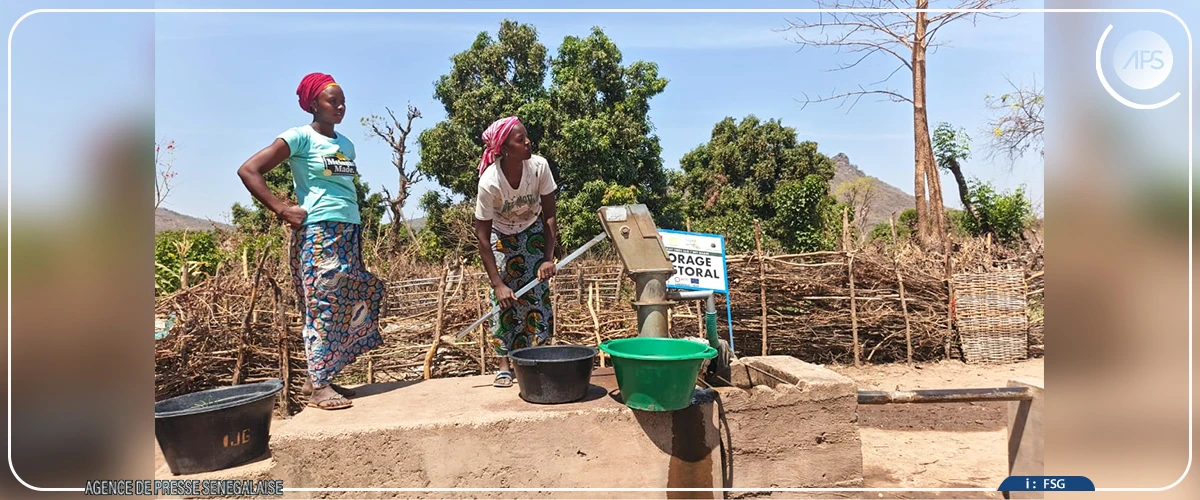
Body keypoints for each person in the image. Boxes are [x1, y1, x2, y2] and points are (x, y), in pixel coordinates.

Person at [237, 72, 384, 410]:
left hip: (348, 231)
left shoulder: (346, 144)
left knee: (349, 301)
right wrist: (282, 209)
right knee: (322, 305)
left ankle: (319, 375)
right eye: (333, 101)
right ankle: (319, 387)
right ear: (314, 104)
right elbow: (248, 170)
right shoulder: (299, 138)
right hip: (319, 233)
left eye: (343, 101)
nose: (340, 106)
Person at [474, 116, 560, 388]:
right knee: (504, 301)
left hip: (532, 229)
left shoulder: (539, 167)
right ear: (505, 149)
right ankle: (504, 365)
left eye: (526, 136)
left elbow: (549, 216)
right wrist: (498, 284)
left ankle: (537, 359)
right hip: (500, 236)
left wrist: (547, 259)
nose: (528, 142)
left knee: (537, 295)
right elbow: (482, 237)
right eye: (520, 140)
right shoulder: (490, 183)